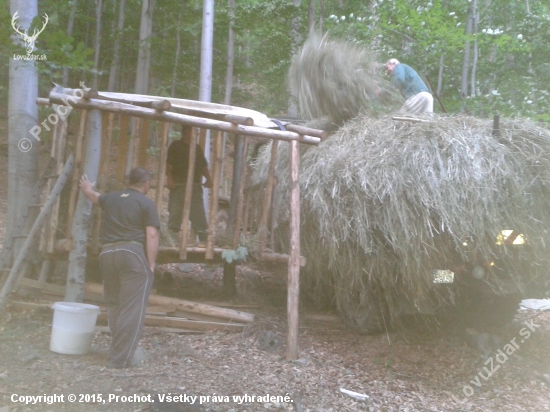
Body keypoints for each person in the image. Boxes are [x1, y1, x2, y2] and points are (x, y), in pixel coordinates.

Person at [79, 167, 160, 368]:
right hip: (131, 253)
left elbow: (94, 197)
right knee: (133, 308)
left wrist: (86, 188)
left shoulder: (111, 198)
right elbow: (152, 234)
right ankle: (120, 359)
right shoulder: (146, 202)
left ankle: (118, 350)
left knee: (115, 304)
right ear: (147, 184)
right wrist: (151, 264)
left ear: (128, 182)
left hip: (106, 254)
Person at [166, 125, 213, 246]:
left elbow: (203, 166)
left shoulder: (197, 148)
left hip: (195, 186)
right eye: (195, 132)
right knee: (175, 211)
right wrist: (170, 179)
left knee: (198, 213)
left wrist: (209, 179)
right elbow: (168, 165)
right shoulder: (176, 146)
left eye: (197, 132)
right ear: (186, 132)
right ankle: (169, 239)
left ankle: (204, 239)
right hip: (179, 185)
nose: (197, 134)